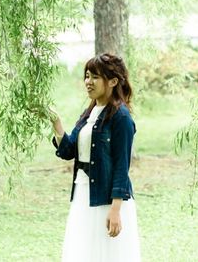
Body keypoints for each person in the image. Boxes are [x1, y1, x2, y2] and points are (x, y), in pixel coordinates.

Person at [49, 53, 141, 262]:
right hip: (83, 194)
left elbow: (121, 166)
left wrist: (116, 210)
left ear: (113, 81)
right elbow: (68, 151)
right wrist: (56, 123)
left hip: (106, 200)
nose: (88, 82)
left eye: (95, 77)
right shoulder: (89, 113)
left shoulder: (121, 117)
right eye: (87, 76)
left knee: (108, 254)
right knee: (84, 251)